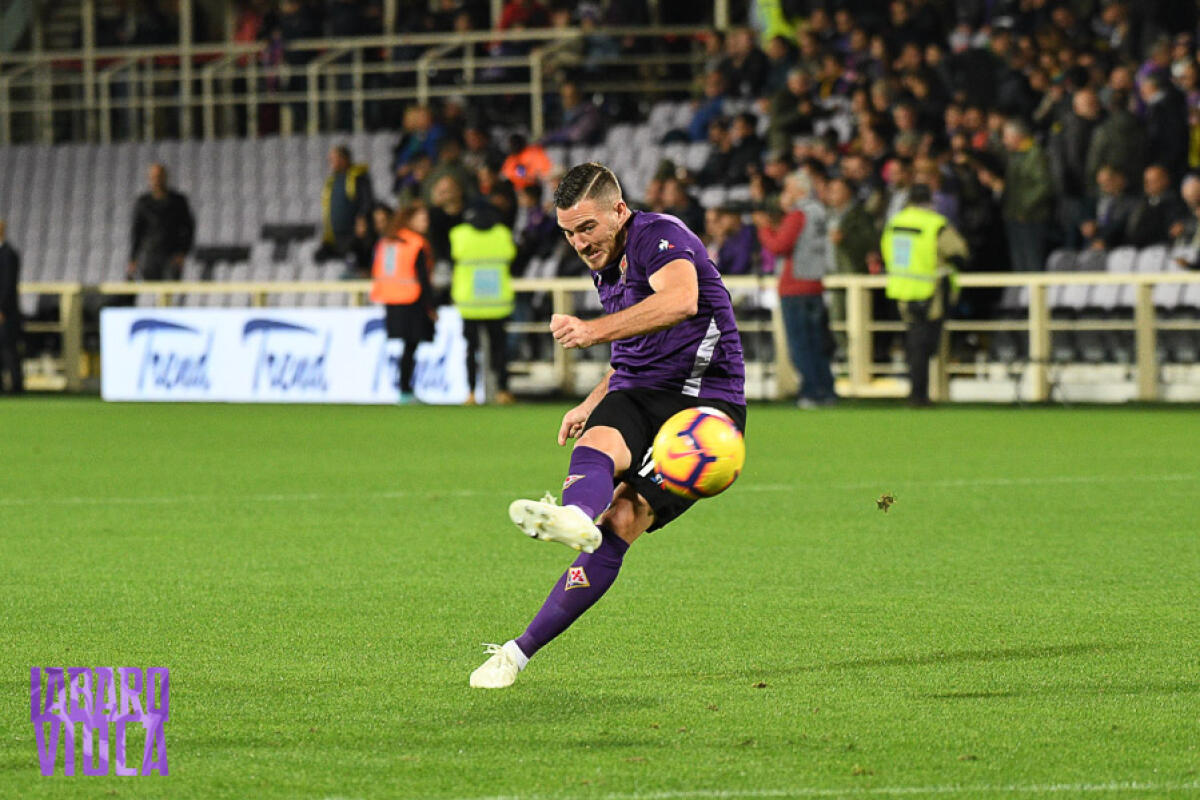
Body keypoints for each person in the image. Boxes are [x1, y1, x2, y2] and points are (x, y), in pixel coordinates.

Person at [469, 162, 746, 689]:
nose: (578, 243)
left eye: (587, 228)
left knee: (620, 520)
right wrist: (591, 399)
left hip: (703, 409)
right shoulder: (605, 261)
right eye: (568, 233)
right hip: (639, 389)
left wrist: (592, 332)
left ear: (619, 210)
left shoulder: (659, 236)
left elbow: (681, 301)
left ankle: (518, 652)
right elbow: (634, 350)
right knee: (597, 441)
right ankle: (573, 517)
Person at [881, 184, 968, 408]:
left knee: (913, 342)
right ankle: (919, 395)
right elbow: (959, 253)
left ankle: (916, 392)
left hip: (902, 290)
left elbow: (886, 251)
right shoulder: (935, 224)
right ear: (929, 200)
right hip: (930, 291)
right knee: (925, 345)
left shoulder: (895, 223)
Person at [754, 173, 837, 408]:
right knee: (817, 342)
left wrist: (764, 228)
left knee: (800, 344)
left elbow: (779, 246)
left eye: (788, 188)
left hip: (795, 284)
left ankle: (811, 392)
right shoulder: (819, 212)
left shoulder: (798, 214)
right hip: (815, 282)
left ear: (800, 191)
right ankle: (827, 390)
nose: (784, 193)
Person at [450, 203, 517, 405]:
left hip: (469, 304)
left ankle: (471, 392)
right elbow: (511, 255)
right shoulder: (502, 234)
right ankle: (502, 391)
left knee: (471, 350)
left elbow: (452, 255)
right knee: (499, 350)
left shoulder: (458, 234)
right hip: (497, 303)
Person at [370, 203, 437, 404]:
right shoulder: (416, 243)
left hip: (391, 299)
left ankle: (405, 389)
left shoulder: (388, 241)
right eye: (422, 218)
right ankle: (406, 390)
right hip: (412, 300)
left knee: (406, 348)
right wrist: (431, 307)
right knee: (410, 347)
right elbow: (423, 278)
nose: (426, 222)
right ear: (410, 220)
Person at [128, 163, 195, 281]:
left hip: (172, 254)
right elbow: (137, 232)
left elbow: (189, 228)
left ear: (165, 177)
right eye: (153, 177)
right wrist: (133, 259)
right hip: (150, 255)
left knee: (171, 286)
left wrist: (183, 252)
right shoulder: (143, 203)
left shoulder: (178, 201)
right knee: (150, 286)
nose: (156, 180)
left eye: (159, 176)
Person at [318, 145, 375, 265]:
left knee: (356, 262)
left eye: (334, 158)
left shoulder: (358, 177)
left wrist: (362, 219)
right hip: (336, 234)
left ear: (344, 159)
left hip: (353, 233)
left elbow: (367, 201)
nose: (331, 162)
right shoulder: (333, 180)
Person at [0, 219, 22, 394]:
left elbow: (8, 285)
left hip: (6, 312)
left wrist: (2, 308)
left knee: (8, 348)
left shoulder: (8, 254)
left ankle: (17, 386)